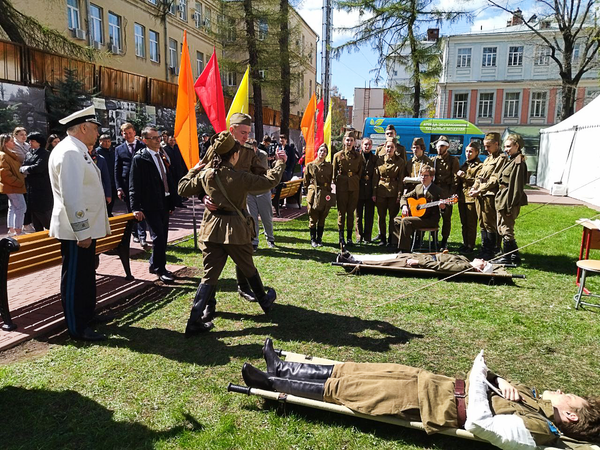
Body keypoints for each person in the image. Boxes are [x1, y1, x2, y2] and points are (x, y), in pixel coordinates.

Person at [242, 339, 600, 449]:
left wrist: (479, 372)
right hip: (433, 382)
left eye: (573, 399)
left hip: (430, 404)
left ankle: (270, 383)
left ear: (569, 416)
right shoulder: (537, 403)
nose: (565, 392)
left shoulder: (539, 431)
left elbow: (480, 424)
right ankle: (282, 368)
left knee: (347, 389)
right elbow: (491, 384)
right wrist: (495, 375)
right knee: (352, 370)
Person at [179, 131, 287, 336]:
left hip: (211, 230)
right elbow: (269, 181)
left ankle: (194, 320)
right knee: (247, 267)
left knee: (209, 275)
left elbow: (182, 187)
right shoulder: (241, 177)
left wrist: (193, 170)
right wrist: (280, 163)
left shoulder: (205, 174)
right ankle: (264, 302)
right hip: (236, 230)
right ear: (234, 155)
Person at [196, 113, 273, 307]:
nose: (247, 137)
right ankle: (209, 303)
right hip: (214, 213)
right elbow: (199, 175)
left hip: (238, 210)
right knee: (211, 262)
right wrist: (203, 197)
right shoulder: (216, 149)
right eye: (243, 132)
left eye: (248, 132)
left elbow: (260, 174)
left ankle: (243, 286)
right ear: (232, 131)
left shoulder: (248, 152)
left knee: (242, 248)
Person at [48, 106, 110, 342]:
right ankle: (76, 327)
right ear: (83, 127)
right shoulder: (70, 152)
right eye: (95, 128)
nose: (97, 133)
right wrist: (82, 231)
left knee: (85, 275)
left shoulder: (77, 149)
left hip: (82, 230)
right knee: (75, 278)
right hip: (76, 231)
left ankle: (86, 315)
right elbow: (72, 195)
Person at [129, 127, 176, 283]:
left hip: (164, 201)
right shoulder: (140, 158)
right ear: (145, 141)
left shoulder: (161, 154)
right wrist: (135, 207)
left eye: (158, 137)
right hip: (150, 204)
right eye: (154, 138)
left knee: (163, 236)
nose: (158, 140)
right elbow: (134, 184)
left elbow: (167, 177)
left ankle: (153, 264)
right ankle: (160, 269)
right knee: (158, 237)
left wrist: (172, 200)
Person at [469, 132, 508, 260]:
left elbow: (494, 179)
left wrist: (479, 190)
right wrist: (474, 188)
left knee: (489, 223)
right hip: (480, 195)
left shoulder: (501, 158)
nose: (486, 149)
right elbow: (480, 176)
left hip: (490, 195)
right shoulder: (488, 159)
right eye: (485, 146)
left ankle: (492, 250)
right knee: (482, 223)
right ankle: (485, 248)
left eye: (488, 146)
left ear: (496, 144)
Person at [394, 165, 444, 253]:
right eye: (421, 175)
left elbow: (446, 210)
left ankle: (404, 250)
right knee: (396, 220)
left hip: (430, 220)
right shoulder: (418, 187)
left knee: (405, 221)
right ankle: (403, 244)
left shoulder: (437, 190)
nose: (423, 177)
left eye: (426, 175)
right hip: (418, 216)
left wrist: (443, 207)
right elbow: (404, 197)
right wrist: (404, 206)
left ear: (432, 177)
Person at [495, 134, 528, 265]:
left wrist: (510, 206)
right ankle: (514, 256)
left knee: (506, 228)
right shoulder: (510, 160)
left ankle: (506, 257)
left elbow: (516, 187)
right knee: (501, 227)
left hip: (509, 198)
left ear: (517, 146)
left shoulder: (518, 163)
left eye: (508, 146)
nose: (506, 149)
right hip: (503, 196)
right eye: (505, 146)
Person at [115, 122, 148, 246]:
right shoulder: (119, 149)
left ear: (134, 132)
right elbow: (116, 169)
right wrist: (119, 187)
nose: (128, 135)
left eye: (130, 133)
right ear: (122, 135)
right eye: (125, 133)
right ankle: (135, 234)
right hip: (126, 184)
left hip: (141, 183)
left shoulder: (143, 146)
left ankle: (143, 235)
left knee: (142, 209)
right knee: (131, 210)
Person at [372, 137, 406, 249]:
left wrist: (399, 195)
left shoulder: (400, 162)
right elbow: (375, 177)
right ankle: (382, 238)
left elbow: (401, 180)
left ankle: (392, 239)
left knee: (393, 217)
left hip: (393, 192)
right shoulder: (379, 160)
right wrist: (374, 193)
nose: (389, 149)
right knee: (381, 216)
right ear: (384, 147)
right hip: (381, 191)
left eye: (391, 147)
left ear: (395, 148)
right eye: (387, 147)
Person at [335, 250, 495, 273]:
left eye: (484, 262)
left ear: (480, 269)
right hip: (422, 256)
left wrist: (418, 263)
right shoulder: (466, 260)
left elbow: (441, 266)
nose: (482, 259)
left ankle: (355, 264)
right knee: (389, 256)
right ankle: (356, 257)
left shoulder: (464, 266)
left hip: (421, 261)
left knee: (387, 263)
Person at [332, 130, 364, 246]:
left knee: (351, 212)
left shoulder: (358, 156)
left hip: (354, 186)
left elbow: (360, 171)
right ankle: (341, 238)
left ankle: (349, 237)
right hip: (342, 186)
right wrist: (339, 182)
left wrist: (354, 180)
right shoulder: (338, 156)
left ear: (354, 142)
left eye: (351, 140)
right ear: (344, 141)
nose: (349, 142)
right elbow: (334, 173)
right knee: (341, 212)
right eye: (347, 140)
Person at [246, 139, 276, 251]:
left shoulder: (262, 155)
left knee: (266, 217)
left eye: (251, 149)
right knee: (252, 219)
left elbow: (260, 171)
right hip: (250, 193)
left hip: (263, 191)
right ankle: (254, 241)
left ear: (255, 147)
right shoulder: (244, 156)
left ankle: (270, 239)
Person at [20, 133, 53, 231]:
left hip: (42, 188)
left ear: (39, 142)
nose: (30, 143)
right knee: (34, 213)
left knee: (43, 212)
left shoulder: (45, 153)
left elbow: (38, 168)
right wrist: (26, 169)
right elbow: (22, 166)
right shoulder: (29, 153)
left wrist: (27, 169)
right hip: (31, 187)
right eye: (29, 141)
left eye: (33, 141)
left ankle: (52, 233)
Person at [432, 135, 460, 250]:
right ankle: (434, 240)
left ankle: (444, 240)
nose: (440, 148)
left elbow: (455, 178)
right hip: (435, 192)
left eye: (442, 146)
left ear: (447, 147)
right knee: (434, 216)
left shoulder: (453, 160)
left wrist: (451, 194)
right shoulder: (434, 160)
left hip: (446, 191)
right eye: (438, 146)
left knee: (446, 218)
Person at [304, 143, 334, 248]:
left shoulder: (330, 167)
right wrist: (309, 191)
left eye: (324, 151)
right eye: (321, 151)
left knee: (322, 216)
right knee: (313, 216)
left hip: (325, 192)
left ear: (326, 154)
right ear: (317, 152)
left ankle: (319, 239)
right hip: (314, 192)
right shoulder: (310, 165)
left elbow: (331, 180)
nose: (322, 153)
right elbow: (306, 181)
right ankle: (313, 239)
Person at [456, 142, 483, 254]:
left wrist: (464, 176)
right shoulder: (465, 164)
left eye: (471, 151)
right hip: (463, 197)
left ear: (477, 152)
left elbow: (478, 181)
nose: (468, 153)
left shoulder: (479, 166)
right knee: (464, 223)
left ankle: (470, 245)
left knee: (471, 223)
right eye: (467, 151)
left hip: (472, 197)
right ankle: (465, 243)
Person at [0, 133, 27, 236]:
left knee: (13, 207)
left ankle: (12, 229)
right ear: (5, 143)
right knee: (21, 207)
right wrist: (19, 182)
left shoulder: (8, 154)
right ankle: (18, 231)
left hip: (12, 186)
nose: (13, 143)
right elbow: (5, 174)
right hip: (13, 187)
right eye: (11, 141)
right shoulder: (3, 155)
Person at [356, 137, 377, 244]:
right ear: (362, 145)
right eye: (365, 145)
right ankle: (359, 235)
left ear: (371, 146)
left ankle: (367, 236)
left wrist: (374, 192)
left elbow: (376, 176)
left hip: (369, 190)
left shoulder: (374, 158)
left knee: (369, 214)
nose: (367, 146)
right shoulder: (357, 157)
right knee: (358, 215)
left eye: (369, 145)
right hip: (359, 189)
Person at [271, 134, 297, 214]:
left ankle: (279, 200)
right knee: (278, 181)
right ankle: (279, 201)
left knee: (280, 181)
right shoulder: (277, 148)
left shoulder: (289, 149)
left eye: (283, 140)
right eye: (280, 140)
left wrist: (289, 169)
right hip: (279, 169)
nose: (281, 141)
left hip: (286, 171)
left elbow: (293, 160)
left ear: (286, 140)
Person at [96, 134, 118, 216]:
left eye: (108, 141)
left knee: (111, 202)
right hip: (103, 181)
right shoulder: (97, 152)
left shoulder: (113, 151)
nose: (107, 143)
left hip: (112, 180)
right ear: (100, 142)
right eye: (104, 141)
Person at [88, 143, 112, 209]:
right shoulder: (80, 158)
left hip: (100, 191)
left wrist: (108, 194)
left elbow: (106, 178)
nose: (89, 147)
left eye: (90, 145)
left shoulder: (100, 159)